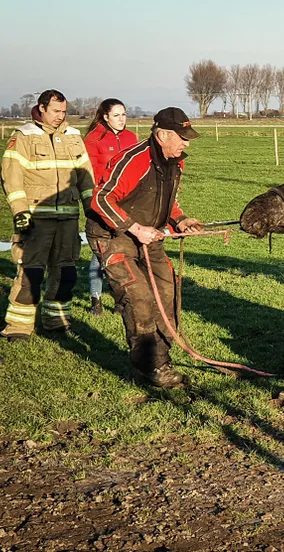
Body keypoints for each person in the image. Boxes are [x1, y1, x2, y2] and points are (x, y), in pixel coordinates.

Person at [86, 107, 203, 388]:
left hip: (150, 238)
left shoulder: (176, 163)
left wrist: (180, 219)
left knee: (166, 292)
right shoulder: (135, 160)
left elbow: (166, 202)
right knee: (138, 296)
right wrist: (136, 229)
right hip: (114, 236)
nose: (186, 143)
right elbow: (100, 200)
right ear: (162, 134)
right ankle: (149, 365)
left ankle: (161, 360)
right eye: (182, 137)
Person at [1, 89, 95, 342]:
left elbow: (85, 175)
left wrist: (91, 208)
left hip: (68, 218)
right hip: (36, 219)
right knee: (31, 273)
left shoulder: (74, 136)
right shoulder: (23, 136)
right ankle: (18, 327)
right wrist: (20, 212)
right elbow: (11, 176)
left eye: (64, 111)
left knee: (66, 274)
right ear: (41, 108)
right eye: (56, 111)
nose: (60, 116)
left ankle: (56, 321)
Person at [84, 98, 138, 315]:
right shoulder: (93, 139)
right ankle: (96, 299)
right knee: (100, 254)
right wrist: (97, 201)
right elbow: (89, 173)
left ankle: (121, 299)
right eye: (116, 115)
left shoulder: (131, 137)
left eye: (124, 114)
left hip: (126, 203)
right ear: (105, 117)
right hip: (102, 203)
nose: (121, 119)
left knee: (123, 251)